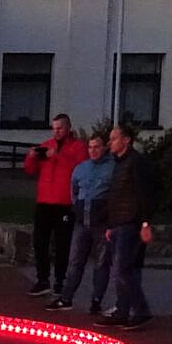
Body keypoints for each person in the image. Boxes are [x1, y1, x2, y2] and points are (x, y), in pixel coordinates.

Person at [97, 124, 159, 331]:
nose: (110, 142)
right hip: (119, 223)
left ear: (127, 140)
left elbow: (145, 194)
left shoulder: (136, 163)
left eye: (114, 139)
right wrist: (110, 224)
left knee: (123, 270)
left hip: (130, 223)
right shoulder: (119, 163)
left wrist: (145, 223)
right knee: (120, 269)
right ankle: (122, 311)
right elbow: (115, 195)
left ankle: (140, 310)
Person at [46, 133, 114, 314]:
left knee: (101, 264)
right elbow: (74, 191)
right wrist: (77, 208)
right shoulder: (81, 169)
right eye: (90, 147)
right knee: (75, 261)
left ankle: (96, 300)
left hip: (101, 223)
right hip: (82, 222)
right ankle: (67, 298)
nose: (93, 151)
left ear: (103, 148)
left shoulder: (112, 168)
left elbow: (115, 194)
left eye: (97, 147)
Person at [24, 113, 87, 297]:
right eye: (54, 128)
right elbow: (30, 170)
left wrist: (59, 156)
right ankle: (42, 279)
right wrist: (32, 157)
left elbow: (80, 169)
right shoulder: (47, 145)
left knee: (62, 244)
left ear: (68, 128)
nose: (56, 132)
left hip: (64, 203)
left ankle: (60, 280)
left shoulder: (77, 147)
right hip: (44, 202)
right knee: (40, 242)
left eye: (59, 128)